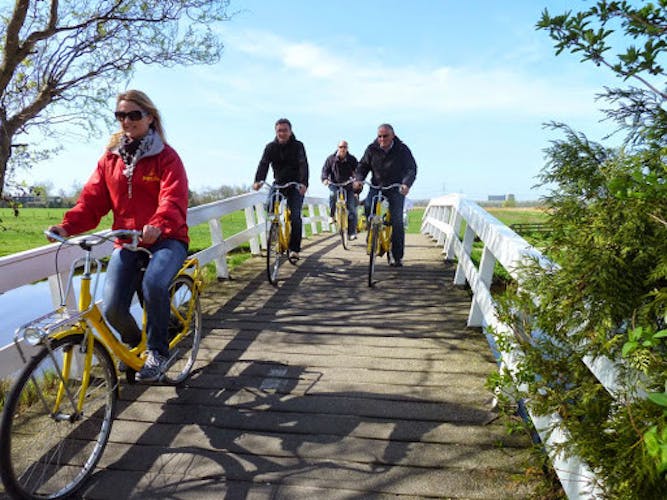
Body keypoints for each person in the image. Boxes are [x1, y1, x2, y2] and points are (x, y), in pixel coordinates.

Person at [47, 89, 189, 383]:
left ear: (150, 118)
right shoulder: (110, 160)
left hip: (167, 239)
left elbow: (173, 198)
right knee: (111, 307)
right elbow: (92, 202)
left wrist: (158, 224)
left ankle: (158, 351)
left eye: (134, 115)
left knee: (154, 283)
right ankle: (138, 344)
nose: (127, 120)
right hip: (127, 241)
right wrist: (67, 227)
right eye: (121, 115)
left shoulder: (166, 157)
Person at [354, 123, 417, 267]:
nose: (382, 139)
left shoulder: (402, 149)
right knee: (369, 206)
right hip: (377, 185)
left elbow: (411, 169)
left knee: (397, 220)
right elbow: (362, 166)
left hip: (396, 187)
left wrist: (406, 183)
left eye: (385, 136)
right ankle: (373, 234)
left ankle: (397, 255)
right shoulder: (371, 149)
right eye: (379, 136)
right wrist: (359, 179)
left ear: (393, 135)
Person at [252, 118, 309, 260]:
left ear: (290, 131)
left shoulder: (298, 146)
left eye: (285, 130)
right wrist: (258, 181)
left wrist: (303, 183)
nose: (282, 133)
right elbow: (263, 164)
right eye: (279, 131)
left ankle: (294, 249)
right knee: (270, 208)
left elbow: (303, 164)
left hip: (295, 184)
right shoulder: (270, 147)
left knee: (295, 216)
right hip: (279, 183)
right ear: (276, 132)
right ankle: (276, 234)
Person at [321, 140, 359, 240]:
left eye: (345, 147)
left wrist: (357, 181)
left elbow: (358, 171)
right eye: (341, 147)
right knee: (332, 194)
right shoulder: (331, 159)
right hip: (334, 183)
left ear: (347, 148)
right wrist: (325, 179)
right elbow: (325, 170)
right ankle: (332, 215)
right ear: (338, 148)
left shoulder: (352, 159)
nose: (343, 149)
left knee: (352, 208)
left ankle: (351, 232)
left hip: (348, 185)